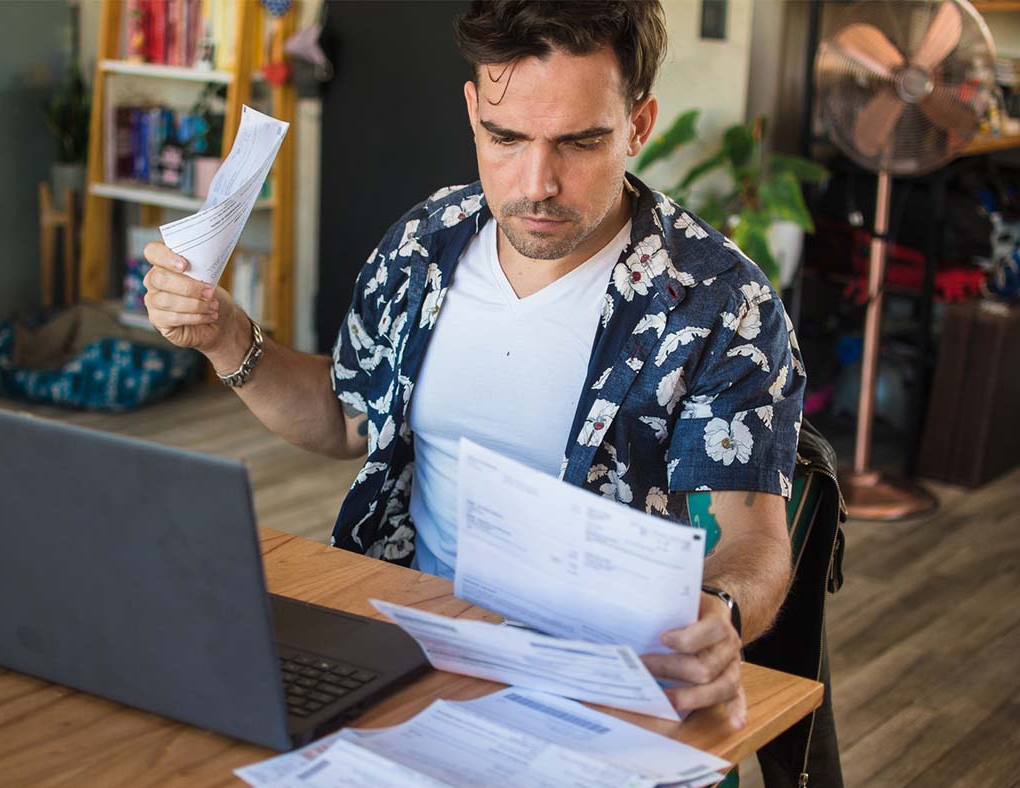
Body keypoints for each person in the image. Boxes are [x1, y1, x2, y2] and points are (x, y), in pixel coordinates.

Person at [140, 0, 805, 730]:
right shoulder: (430, 239)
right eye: (505, 136)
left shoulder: (716, 302)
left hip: (598, 681)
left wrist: (725, 609)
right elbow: (344, 416)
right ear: (472, 111)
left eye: (580, 143)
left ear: (638, 126)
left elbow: (754, 539)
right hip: (404, 640)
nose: (537, 182)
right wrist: (227, 335)